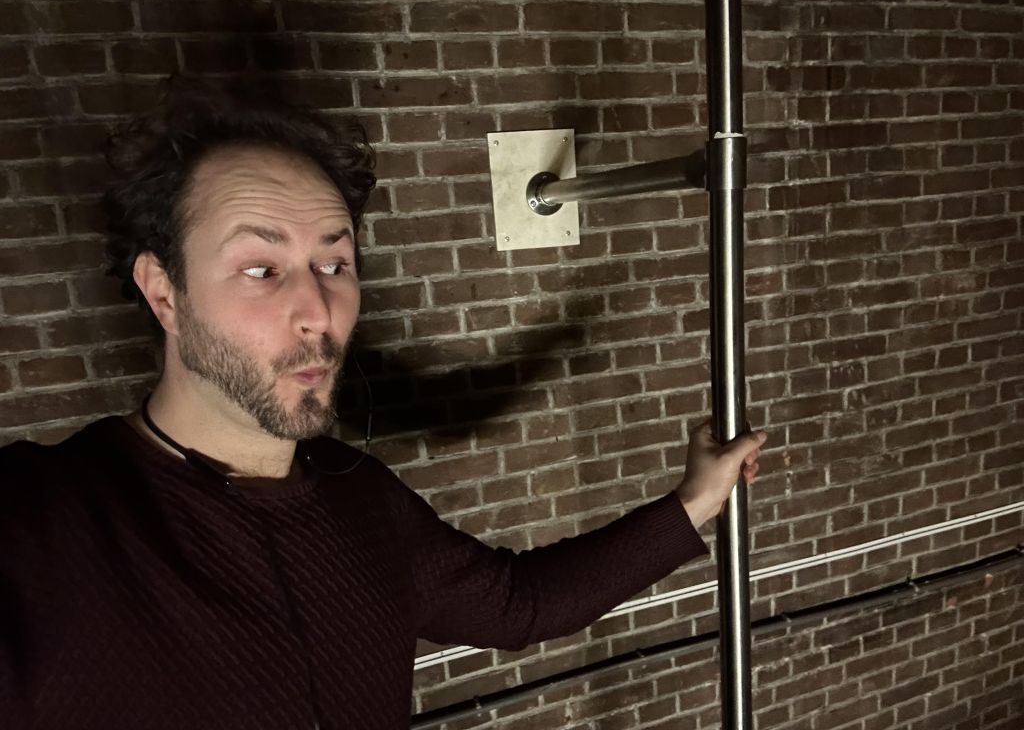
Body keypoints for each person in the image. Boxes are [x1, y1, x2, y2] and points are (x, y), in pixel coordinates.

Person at [0, 76, 767, 730]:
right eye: (262, 269)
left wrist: (694, 502)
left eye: (334, 261)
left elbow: (518, 605)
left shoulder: (358, 498)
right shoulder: (39, 523)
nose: (317, 309)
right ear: (164, 292)